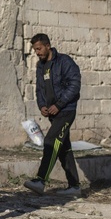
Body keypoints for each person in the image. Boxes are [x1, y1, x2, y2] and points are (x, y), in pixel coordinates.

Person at [23, 34, 82, 197]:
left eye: (39, 48)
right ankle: (75, 186)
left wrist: (59, 104)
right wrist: (42, 105)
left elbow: (75, 84)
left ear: (48, 46)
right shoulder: (41, 66)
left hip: (66, 111)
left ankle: (40, 180)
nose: (37, 52)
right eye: (35, 50)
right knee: (64, 148)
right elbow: (40, 89)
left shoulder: (64, 62)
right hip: (53, 113)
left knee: (51, 141)